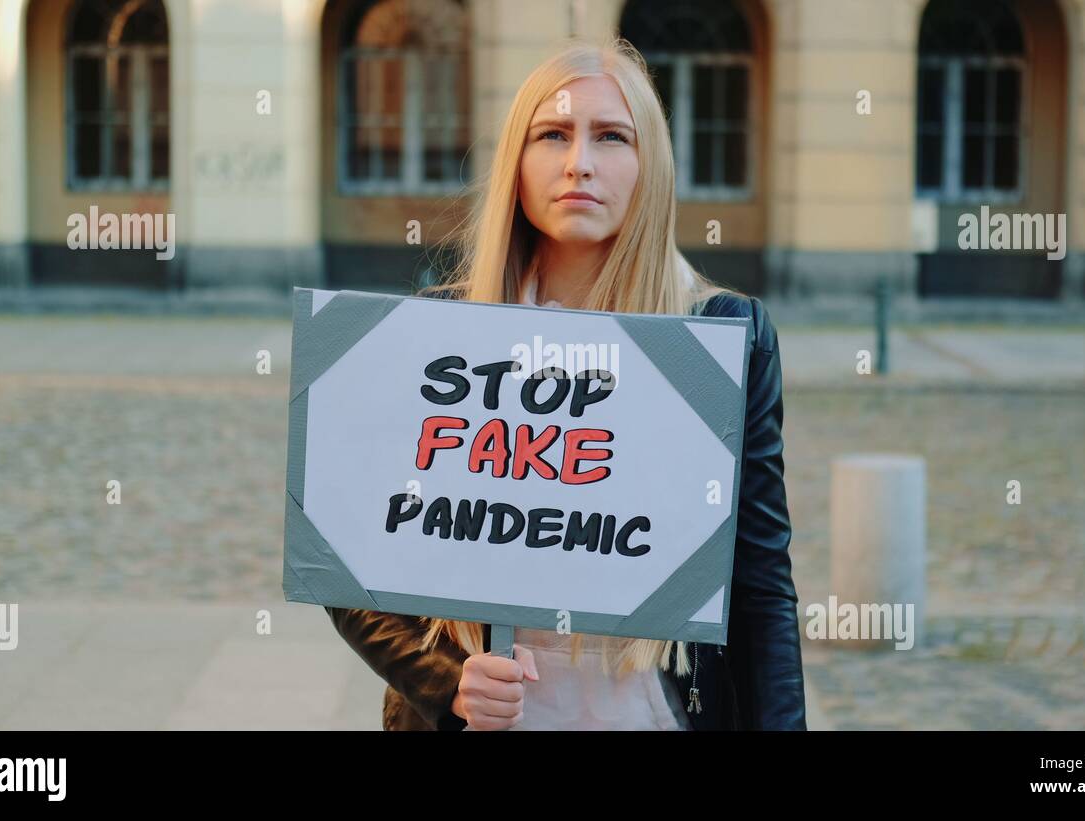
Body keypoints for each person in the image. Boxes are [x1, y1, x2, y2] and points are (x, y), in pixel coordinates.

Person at [326, 38, 805, 731]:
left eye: (612, 136)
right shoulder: (437, 335)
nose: (579, 162)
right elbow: (345, 557)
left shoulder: (724, 337)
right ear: (516, 164)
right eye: (553, 133)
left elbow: (761, 585)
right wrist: (447, 681)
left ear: (651, 167)